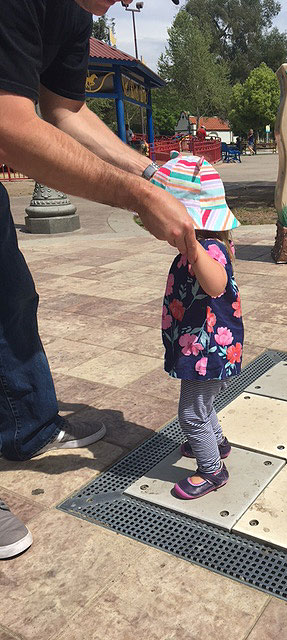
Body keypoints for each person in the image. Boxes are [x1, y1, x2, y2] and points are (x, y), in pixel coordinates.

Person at [0, 0, 197, 559]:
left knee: (11, 296)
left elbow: (64, 110)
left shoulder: (76, 15)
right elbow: (12, 126)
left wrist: (150, 174)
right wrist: (136, 196)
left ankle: (27, 429)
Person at [154, 154, 244, 499]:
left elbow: (216, 284)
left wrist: (192, 246)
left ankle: (212, 471)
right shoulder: (203, 248)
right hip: (200, 346)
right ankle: (216, 444)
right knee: (202, 406)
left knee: (191, 413)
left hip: (208, 350)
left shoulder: (209, 250)